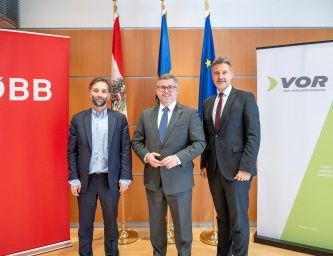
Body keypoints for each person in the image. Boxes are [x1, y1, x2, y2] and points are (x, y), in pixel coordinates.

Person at [131, 74, 206, 256]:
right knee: (156, 229)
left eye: (170, 87)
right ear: (157, 90)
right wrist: (147, 155)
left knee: (182, 229)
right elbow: (136, 141)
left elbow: (199, 143)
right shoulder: (146, 114)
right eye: (162, 87)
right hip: (153, 180)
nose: (166, 91)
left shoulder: (190, 114)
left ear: (177, 90)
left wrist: (178, 158)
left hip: (179, 180)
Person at [200, 56, 260, 256]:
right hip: (214, 171)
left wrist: (246, 168)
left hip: (237, 171)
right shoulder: (208, 103)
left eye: (224, 72)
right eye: (216, 73)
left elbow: (253, 135)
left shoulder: (245, 98)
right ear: (212, 76)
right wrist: (203, 163)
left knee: (239, 221)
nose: (220, 76)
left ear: (232, 74)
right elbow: (207, 136)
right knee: (222, 219)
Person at [67, 77, 132, 256]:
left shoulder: (119, 119)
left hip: (109, 181)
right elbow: (71, 152)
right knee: (85, 225)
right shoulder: (78, 119)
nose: (99, 94)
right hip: (85, 181)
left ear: (109, 95)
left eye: (103, 91)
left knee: (111, 225)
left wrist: (125, 177)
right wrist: (74, 179)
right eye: (96, 90)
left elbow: (125, 149)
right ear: (90, 93)